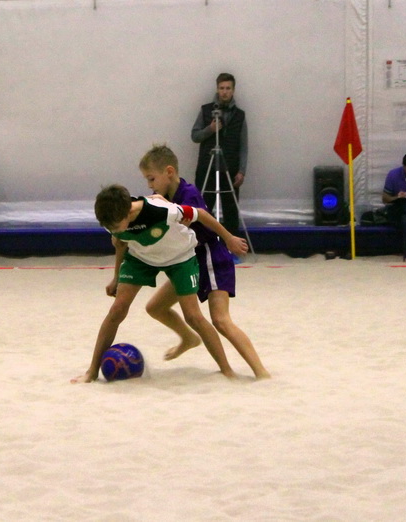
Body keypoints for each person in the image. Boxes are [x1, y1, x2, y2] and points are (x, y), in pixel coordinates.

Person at [71, 182, 248, 384]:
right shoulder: (110, 218)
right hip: (141, 258)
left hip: (180, 257)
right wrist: (116, 277)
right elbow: (120, 244)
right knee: (117, 310)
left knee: (193, 316)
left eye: (115, 226)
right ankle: (92, 372)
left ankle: (227, 370)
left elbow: (200, 214)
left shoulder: (161, 210)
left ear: (128, 212)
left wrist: (229, 238)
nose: (112, 229)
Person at [140, 144, 270, 379]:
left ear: (169, 172)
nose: (149, 185)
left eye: (151, 178)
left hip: (210, 257)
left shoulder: (188, 194)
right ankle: (188, 339)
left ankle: (260, 372)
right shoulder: (165, 197)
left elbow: (205, 217)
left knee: (220, 320)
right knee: (155, 308)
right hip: (187, 262)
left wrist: (229, 238)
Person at [192, 72, 248, 238]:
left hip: (230, 168)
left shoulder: (240, 115)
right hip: (207, 167)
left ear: (233, 90)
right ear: (217, 89)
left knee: (231, 210)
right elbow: (194, 136)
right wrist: (210, 129)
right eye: (222, 88)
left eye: (228, 88)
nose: (224, 92)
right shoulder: (205, 110)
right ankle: (202, 244)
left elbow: (244, 145)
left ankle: (231, 246)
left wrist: (242, 170)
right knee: (204, 209)